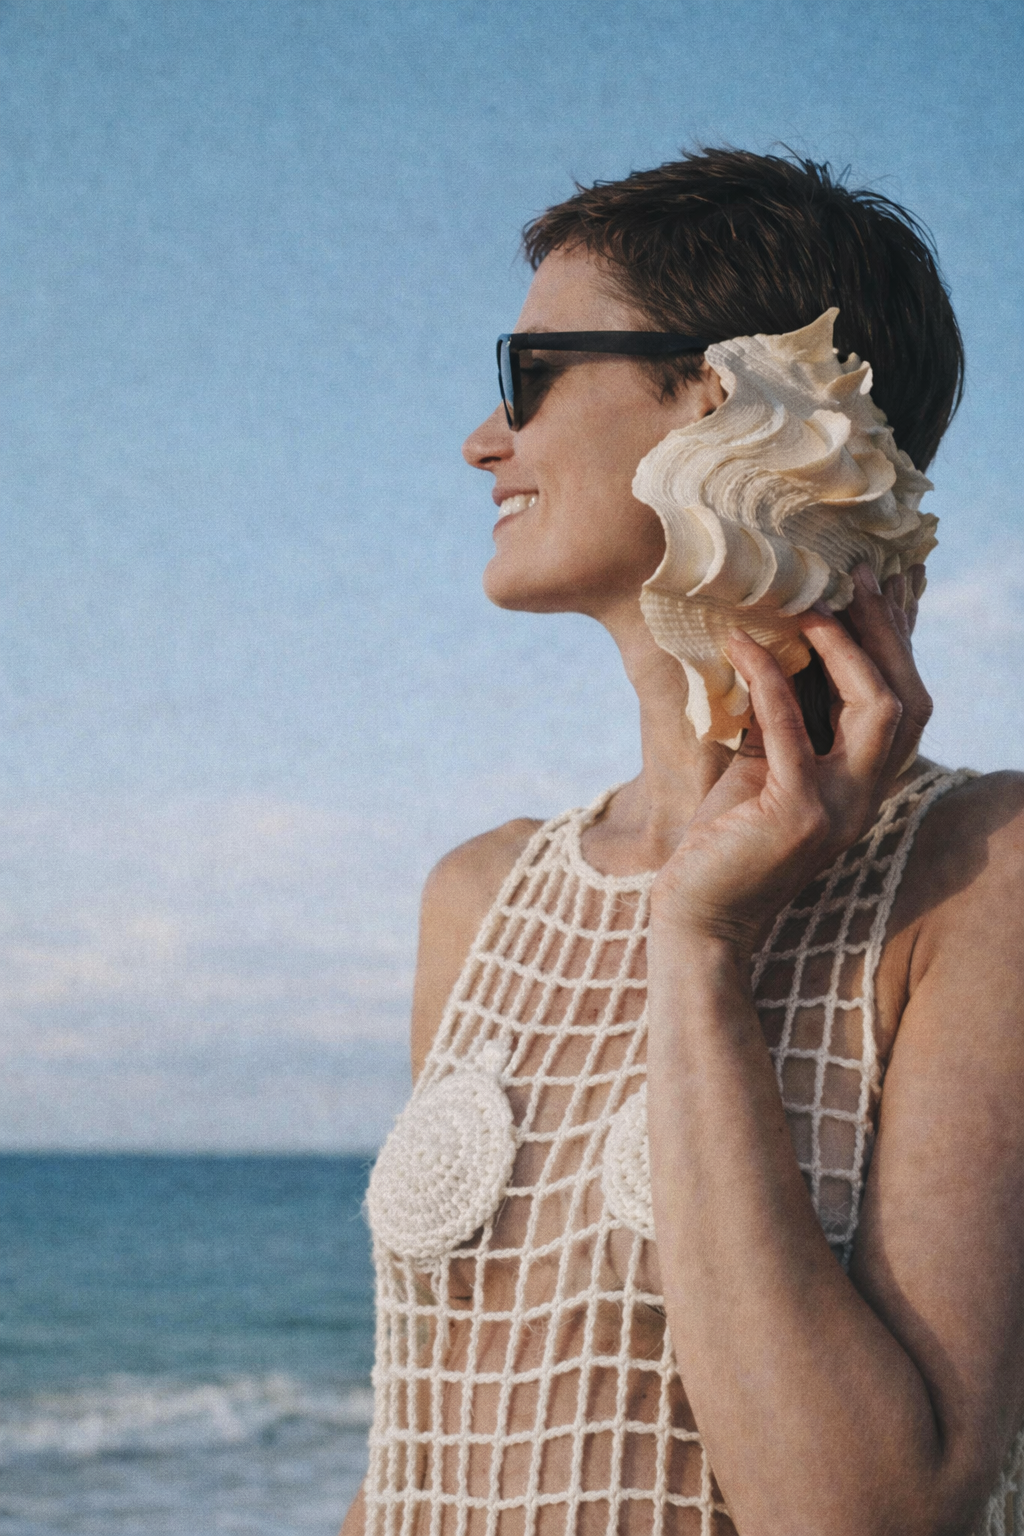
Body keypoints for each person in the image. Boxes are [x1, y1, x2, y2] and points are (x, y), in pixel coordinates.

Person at [341, 150, 1024, 1536]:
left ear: (727, 396)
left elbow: (869, 1514)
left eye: (529, 370)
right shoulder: (480, 898)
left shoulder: (980, 871)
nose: (485, 437)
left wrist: (702, 944)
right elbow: (422, 1438)